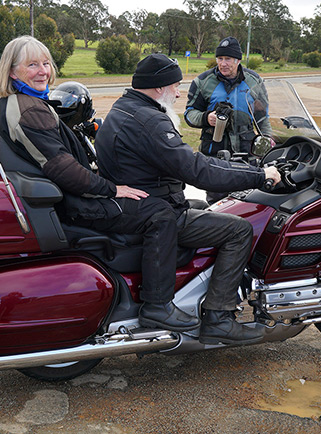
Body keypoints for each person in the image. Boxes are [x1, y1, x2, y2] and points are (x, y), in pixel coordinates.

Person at [0, 36, 202, 332]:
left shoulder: (19, 104)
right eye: (32, 65)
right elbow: (63, 169)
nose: (42, 71)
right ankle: (158, 306)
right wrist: (112, 189)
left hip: (64, 196)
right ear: (12, 72)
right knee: (160, 213)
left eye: (46, 63)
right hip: (74, 202)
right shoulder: (29, 110)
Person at [95, 54, 281, 345]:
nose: (179, 93)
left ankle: (195, 292)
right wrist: (259, 175)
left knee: (204, 207)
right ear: (158, 88)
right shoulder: (151, 122)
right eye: (175, 86)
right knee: (239, 229)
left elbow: (190, 162)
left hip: (134, 205)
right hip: (155, 209)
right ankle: (219, 317)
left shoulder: (123, 108)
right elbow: (198, 171)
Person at [185, 36, 274, 204]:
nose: (223, 63)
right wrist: (206, 118)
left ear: (238, 60)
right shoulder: (202, 82)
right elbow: (189, 114)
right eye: (220, 59)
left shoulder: (254, 81)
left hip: (246, 153)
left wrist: (268, 142)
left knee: (248, 202)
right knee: (217, 204)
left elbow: (262, 118)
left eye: (228, 59)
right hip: (215, 154)